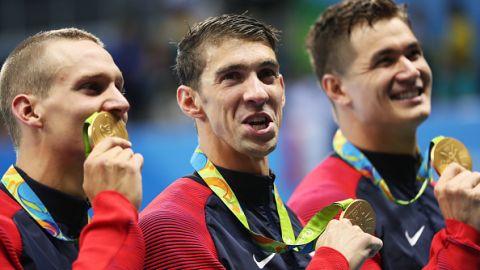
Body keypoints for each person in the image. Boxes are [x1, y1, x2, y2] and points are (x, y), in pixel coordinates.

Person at [139, 13, 383, 270]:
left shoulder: (289, 222)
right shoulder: (170, 226)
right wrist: (334, 262)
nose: (258, 93)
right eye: (232, 77)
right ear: (191, 102)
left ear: (282, 89)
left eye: (266, 74)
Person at [288, 0, 480, 269]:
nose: (412, 71)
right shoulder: (327, 209)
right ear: (337, 89)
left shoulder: (443, 190)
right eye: (385, 61)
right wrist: (463, 235)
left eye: (413, 54)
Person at [0, 28, 145, 269]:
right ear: (29, 111)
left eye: (119, 88)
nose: (122, 103)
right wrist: (115, 209)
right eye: (92, 87)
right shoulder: (5, 231)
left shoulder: (99, 224)